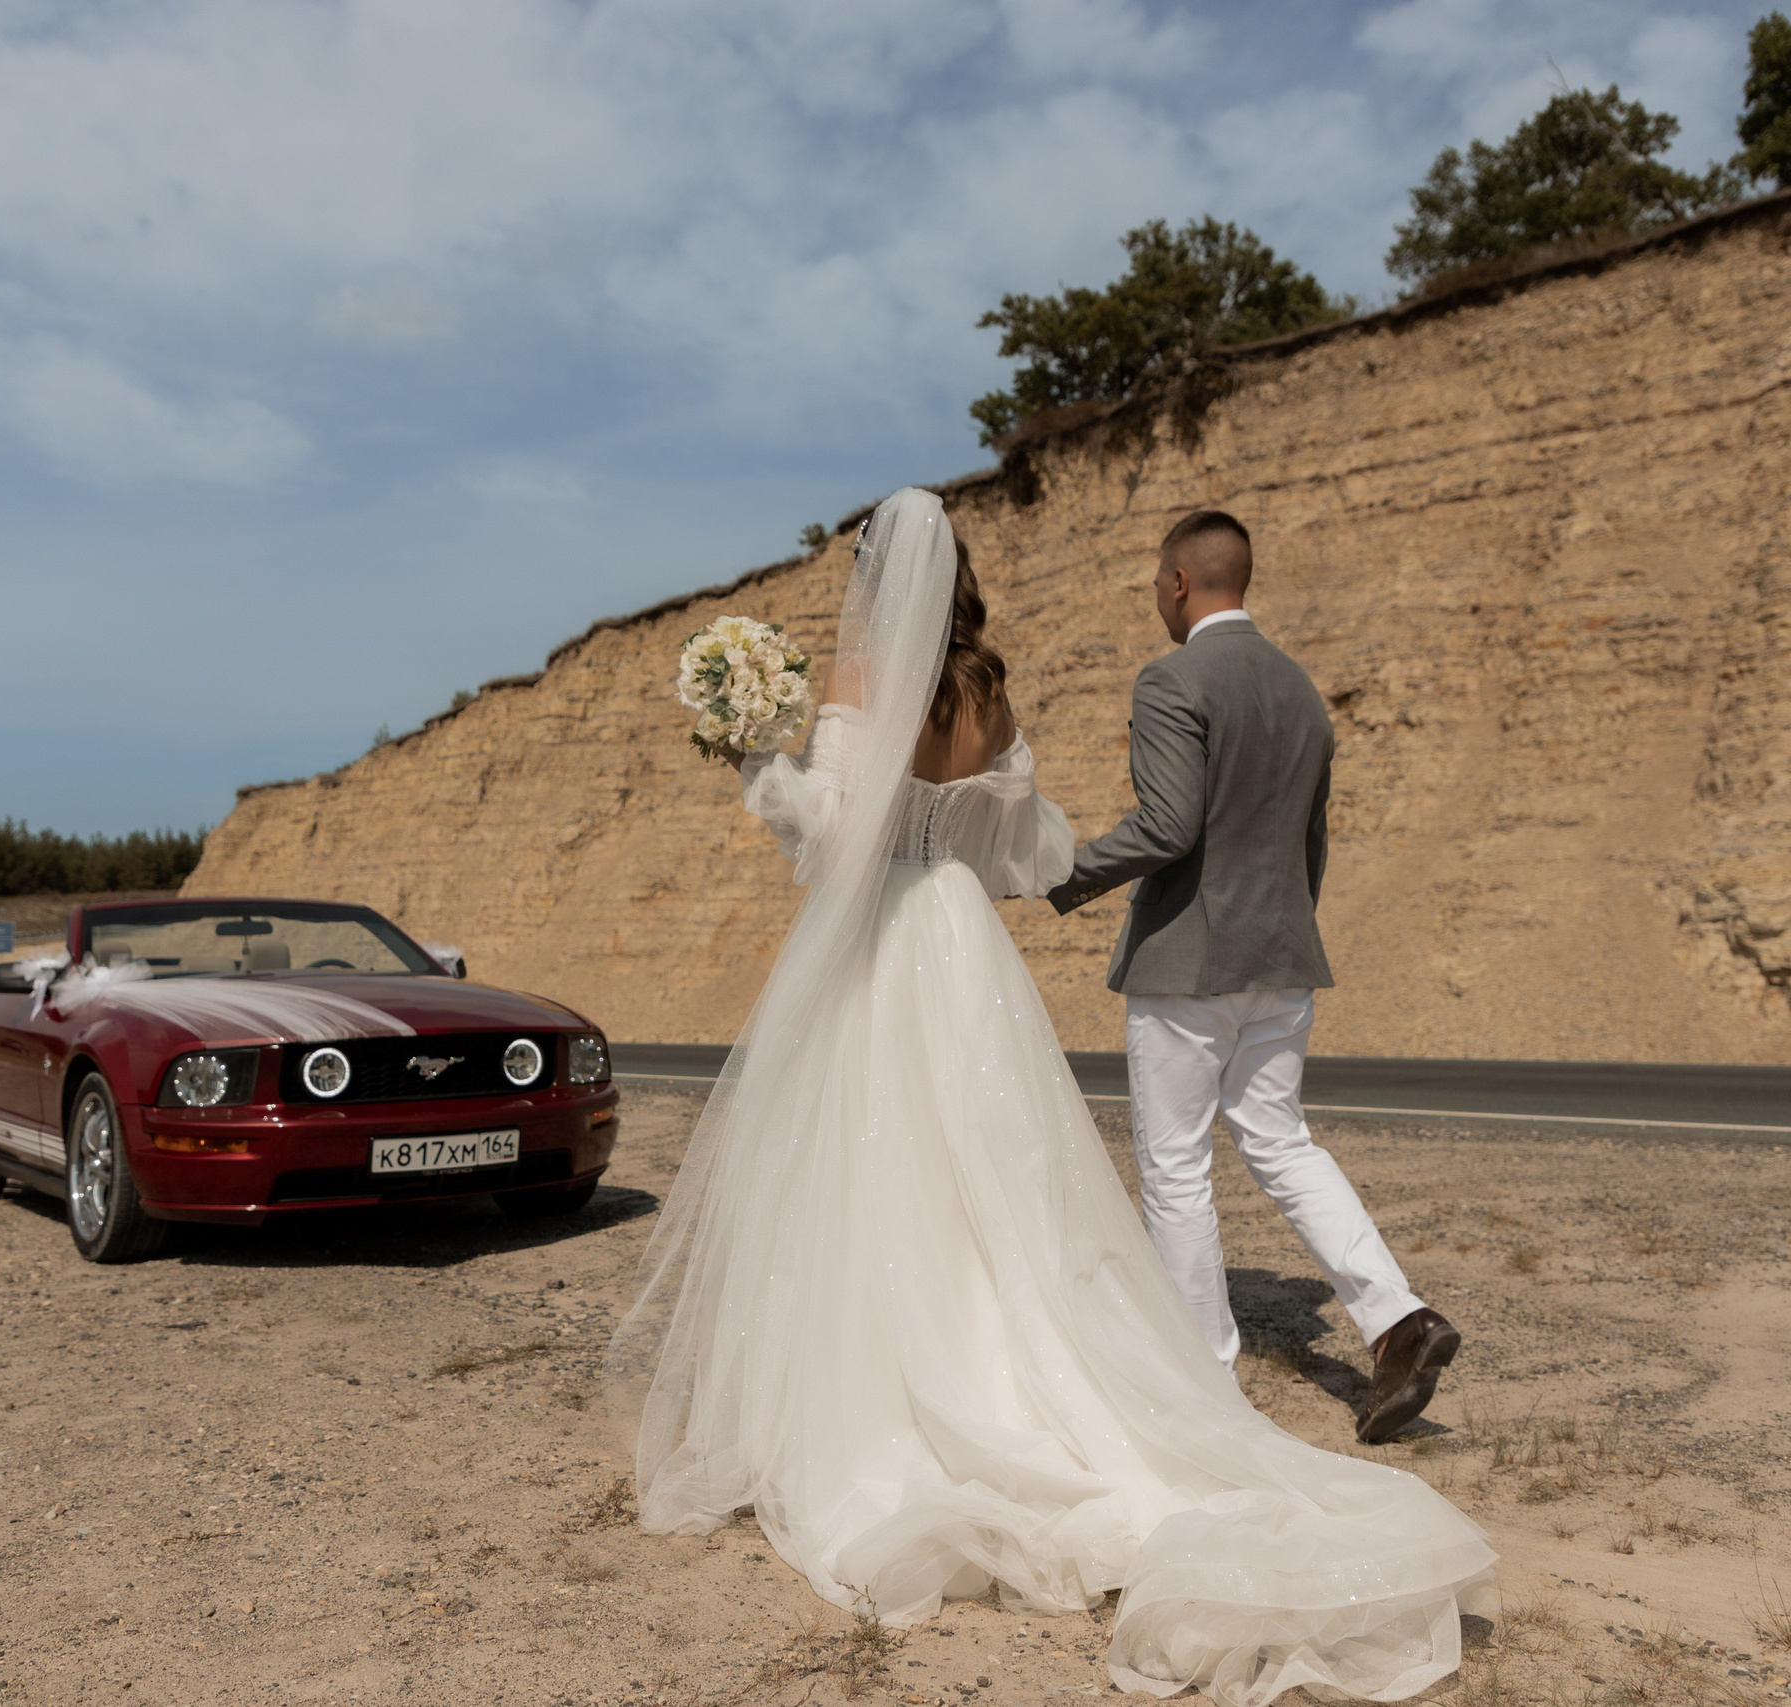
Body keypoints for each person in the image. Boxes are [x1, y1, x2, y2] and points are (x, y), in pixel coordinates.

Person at [610, 488, 1492, 1705]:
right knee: (1000, 1178)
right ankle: (1164, 1371)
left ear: (874, 579)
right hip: (965, 943)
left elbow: (827, 838)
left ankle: (910, 1402)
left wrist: (755, 759)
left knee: (879, 1169)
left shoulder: (862, 685)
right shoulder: (984, 690)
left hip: (881, 944)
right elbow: (1019, 856)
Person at [1044, 509, 1460, 1445]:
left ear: (1182, 583)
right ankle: (1398, 1319)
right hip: (1282, 958)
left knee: (1177, 1166)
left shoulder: (1172, 678)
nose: (1158, 598)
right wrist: (1286, 931)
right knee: (1281, 1143)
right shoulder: (1302, 692)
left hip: (1190, 964)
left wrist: (1059, 873)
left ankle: (1202, 1378)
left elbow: (1167, 826)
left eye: (1158, 583)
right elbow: (1312, 839)